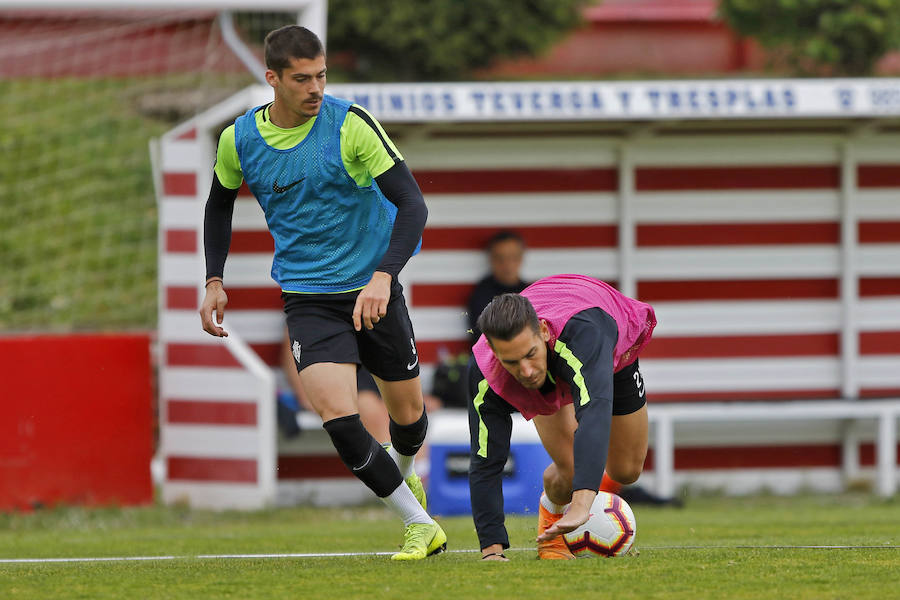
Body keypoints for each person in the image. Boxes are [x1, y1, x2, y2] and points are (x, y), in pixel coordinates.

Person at [199, 25, 445, 561]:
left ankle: (404, 472)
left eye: (322, 76)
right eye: (302, 79)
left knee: (408, 420)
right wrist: (214, 278)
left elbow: (413, 204)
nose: (316, 88)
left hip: (373, 289)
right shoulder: (239, 139)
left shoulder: (350, 124)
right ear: (273, 79)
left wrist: (384, 276)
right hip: (307, 296)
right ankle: (419, 524)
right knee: (338, 417)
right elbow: (219, 203)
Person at [466, 274, 657, 561]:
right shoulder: (484, 370)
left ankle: (572, 498)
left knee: (626, 471)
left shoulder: (586, 336)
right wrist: (491, 551)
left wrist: (581, 504)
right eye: (512, 362)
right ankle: (551, 519)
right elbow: (485, 459)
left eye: (530, 354)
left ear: (543, 331)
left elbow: (594, 411)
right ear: (494, 352)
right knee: (571, 471)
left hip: (602, 337)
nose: (527, 371)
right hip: (561, 343)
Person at [466, 230, 529, 343]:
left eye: (513, 257)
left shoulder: (530, 292)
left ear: (521, 258)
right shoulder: (481, 294)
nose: (507, 264)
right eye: (500, 258)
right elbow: (480, 335)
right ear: (491, 259)